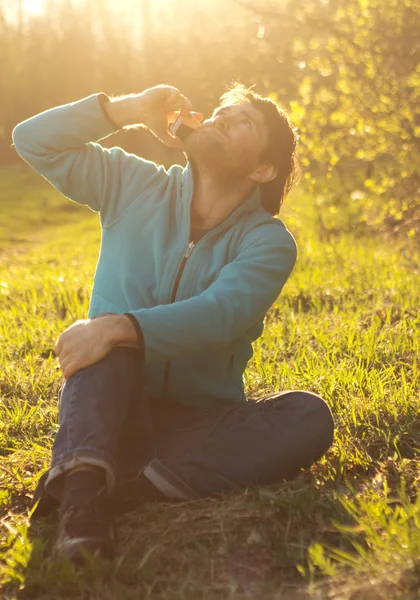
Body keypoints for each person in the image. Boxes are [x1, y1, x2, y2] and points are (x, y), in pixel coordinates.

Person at [12, 84, 334, 562]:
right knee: (105, 344)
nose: (222, 118)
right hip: (112, 402)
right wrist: (128, 109)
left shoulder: (267, 241)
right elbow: (32, 139)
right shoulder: (131, 182)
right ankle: (80, 503)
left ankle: (132, 488)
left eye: (242, 120)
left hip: (199, 424)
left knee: (309, 415)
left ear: (262, 168)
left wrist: (121, 325)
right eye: (222, 111)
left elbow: (220, 313)